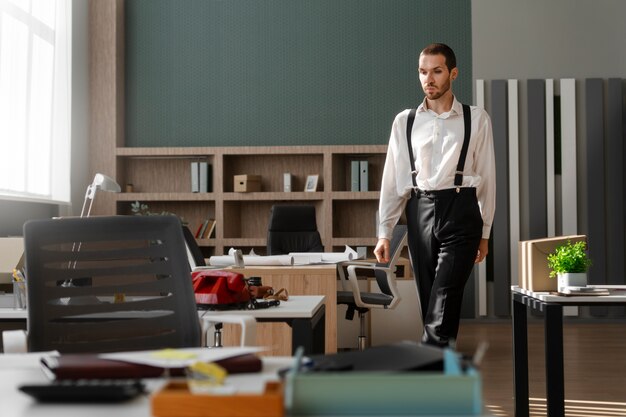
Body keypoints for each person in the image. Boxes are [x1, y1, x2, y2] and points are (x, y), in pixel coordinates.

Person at [373, 43, 495, 348]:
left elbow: (488, 178)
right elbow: (392, 179)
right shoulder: (405, 121)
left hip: (462, 209)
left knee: (445, 293)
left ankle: (430, 365)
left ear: (452, 73)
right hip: (420, 209)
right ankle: (442, 361)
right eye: (423, 71)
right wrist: (384, 232)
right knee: (431, 299)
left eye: (437, 71)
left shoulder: (476, 118)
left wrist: (486, 231)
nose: (429, 78)